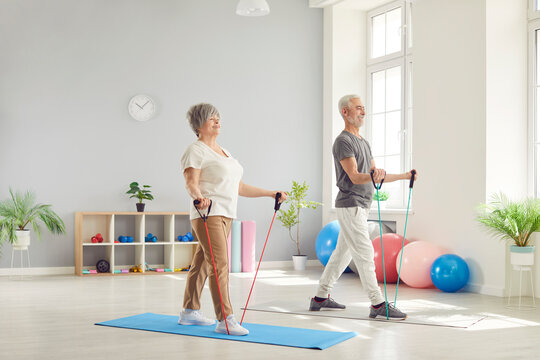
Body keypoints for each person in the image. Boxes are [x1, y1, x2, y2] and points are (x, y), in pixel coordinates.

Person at [178, 103, 287, 336]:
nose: (217, 122)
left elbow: (239, 187)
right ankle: (225, 320)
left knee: (203, 263)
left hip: (226, 213)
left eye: (218, 118)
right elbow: (191, 182)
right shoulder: (195, 150)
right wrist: (199, 197)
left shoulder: (224, 151)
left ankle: (189, 311)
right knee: (219, 264)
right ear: (199, 126)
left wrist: (270, 193)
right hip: (208, 213)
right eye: (211, 119)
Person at [309, 94, 417, 320]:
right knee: (365, 253)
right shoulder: (343, 141)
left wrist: (404, 176)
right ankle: (377, 303)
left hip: (362, 205)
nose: (363, 112)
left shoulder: (364, 143)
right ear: (345, 112)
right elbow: (356, 177)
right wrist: (373, 175)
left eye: (364, 108)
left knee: (341, 255)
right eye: (358, 108)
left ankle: (319, 297)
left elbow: (376, 176)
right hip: (351, 205)